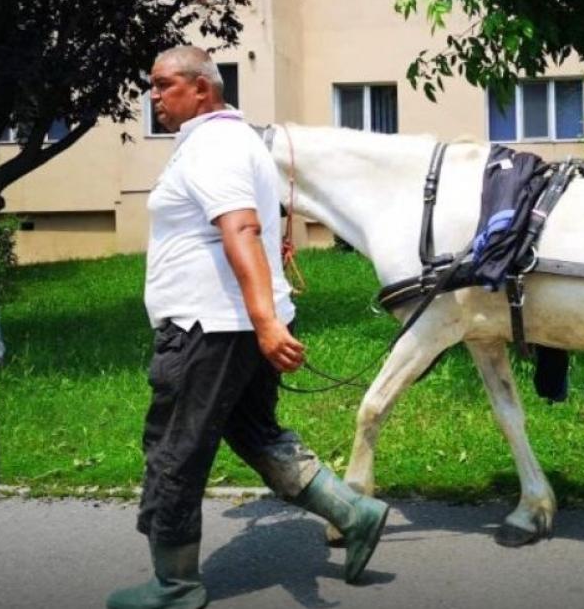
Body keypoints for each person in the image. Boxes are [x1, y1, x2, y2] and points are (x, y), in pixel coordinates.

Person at [107, 46, 389, 609]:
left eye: (163, 84)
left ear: (201, 88)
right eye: (152, 85)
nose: (153, 96)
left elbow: (240, 229)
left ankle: (175, 585)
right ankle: (354, 514)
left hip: (209, 329)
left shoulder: (213, 146)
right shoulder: (231, 141)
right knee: (254, 432)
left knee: (175, 451)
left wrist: (264, 323)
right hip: (230, 325)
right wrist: (265, 320)